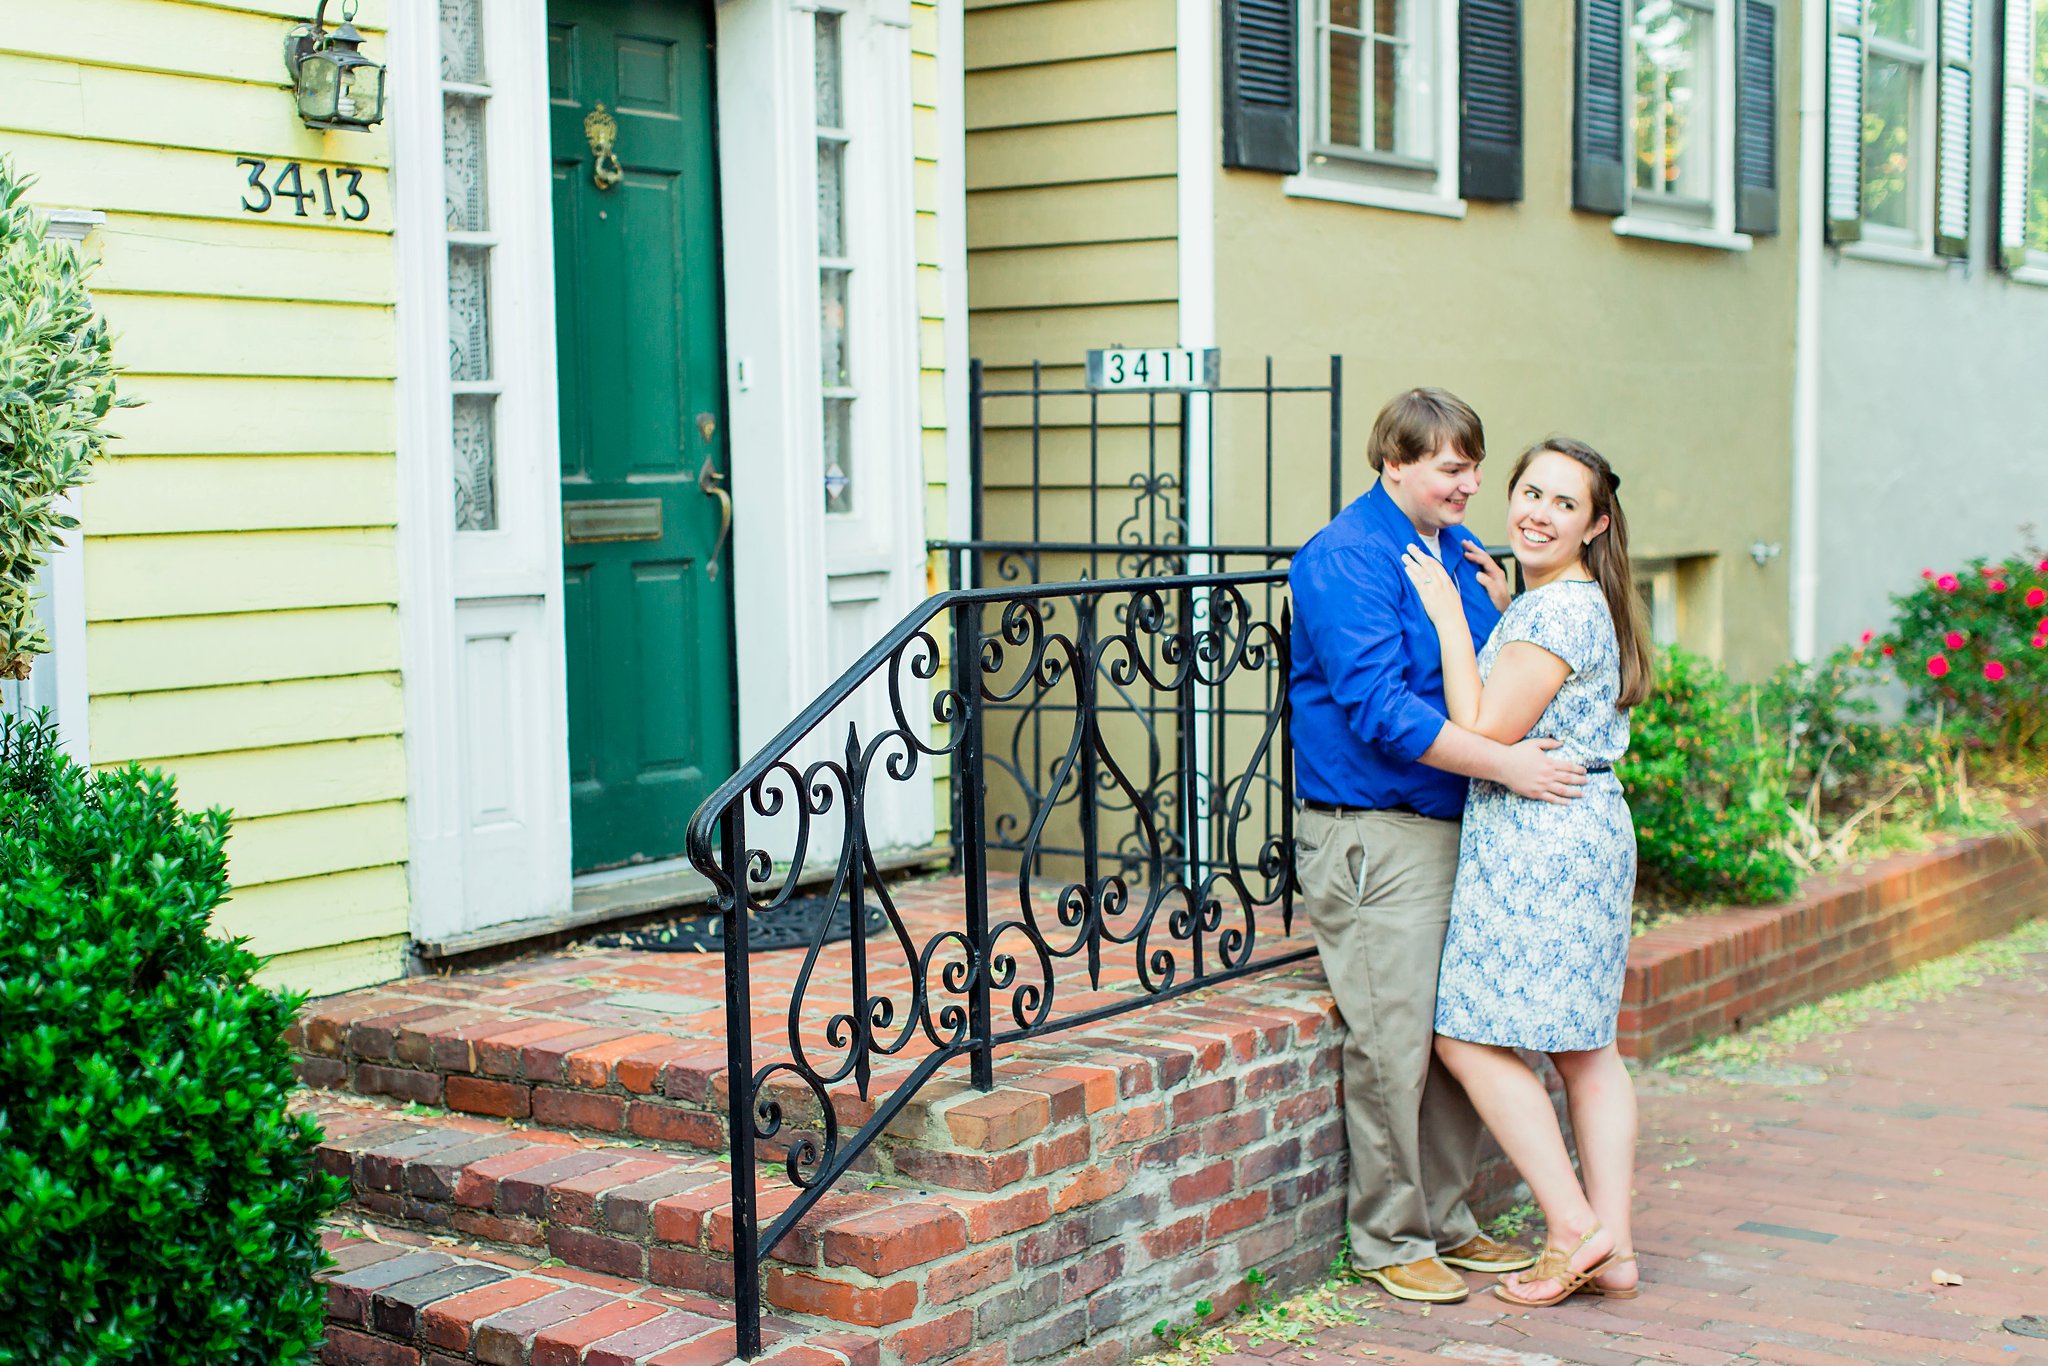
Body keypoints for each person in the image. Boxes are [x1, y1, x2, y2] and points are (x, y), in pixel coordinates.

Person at [1288, 390, 1588, 1304]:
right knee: (1392, 1042)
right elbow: (1383, 713)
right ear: (1396, 465)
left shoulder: (1460, 554)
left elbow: (1485, 680)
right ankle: (1390, 1236)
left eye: (1472, 467)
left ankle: (1449, 1221)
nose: (1470, 485)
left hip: (1466, 825)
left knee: (1466, 1029)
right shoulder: (1344, 560)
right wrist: (1506, 764)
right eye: (1451, 468)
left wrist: (1510, 603)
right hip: (1376, 834)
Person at [1399, 435, 1654, 1307]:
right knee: (1587, 1049)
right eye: (1530, 492)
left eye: (1564, 504)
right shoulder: (1576, 599)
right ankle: (1611, 1249)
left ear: (1596, 523)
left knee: (1465, 1035)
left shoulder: (1556, 612)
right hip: (1586, 827)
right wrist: (1510, 608)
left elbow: (1480, 724)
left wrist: (1445, 611)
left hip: (1541, 839)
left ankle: (1573, 1226)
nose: (1538, 513)